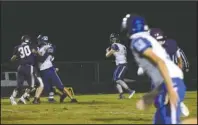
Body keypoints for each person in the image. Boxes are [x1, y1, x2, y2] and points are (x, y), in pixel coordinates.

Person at [121, 14, 186, 124]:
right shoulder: (145, 38)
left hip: (172, 81)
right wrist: (152, 94)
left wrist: (170, 89)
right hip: (167, 81)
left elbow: (159, 62)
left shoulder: (137, 41)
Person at [36, 35, 77, 103]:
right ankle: (39, 99)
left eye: (39, 40)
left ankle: (72, 98)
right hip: (43, 70)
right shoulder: (41, 48)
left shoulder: (48, 47)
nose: (38, 42)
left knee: (60, 85)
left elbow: (43, 58)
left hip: (49, 69)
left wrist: (37, 53)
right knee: (45, 86)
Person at [9, 35, 44, 105]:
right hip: (29, 67)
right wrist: (36, 52)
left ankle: (12, 97)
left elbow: (12, 59)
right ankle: (23, 98)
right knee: (34, 85)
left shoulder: (17, 47)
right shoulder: (31, 46)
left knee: (19, 86)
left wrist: (17, 56)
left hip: (20, 67)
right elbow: (40, 54)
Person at [106, 33, 135, 99]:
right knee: (116, 79)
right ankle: (121, 95)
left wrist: (107, 51)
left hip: (122, 64)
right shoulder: (122, 46)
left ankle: (130, 91)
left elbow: (107, 55)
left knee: (117, 79)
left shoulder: (114, 45)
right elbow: (119, 53)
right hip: (122, 64)